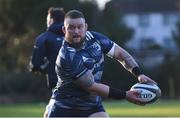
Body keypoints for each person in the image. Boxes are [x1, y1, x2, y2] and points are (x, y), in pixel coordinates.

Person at [46, 10, 157, 117]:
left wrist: (139, 74)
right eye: (71, 27)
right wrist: (125, 95)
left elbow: (121, 54)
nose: (76, 31)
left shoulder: (95, 39)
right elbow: (91, 87)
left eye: (80, 27)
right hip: (65, 108)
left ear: (86, 27)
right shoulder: (67, 55)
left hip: (92, 106)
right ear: (64, 30)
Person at [29, 7, 65, 90]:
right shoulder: (75, 36)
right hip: (78, 81)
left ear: (51, 20)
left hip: (56, 81)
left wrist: (48, 67)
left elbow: (36, 64)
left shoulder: (43, 38)